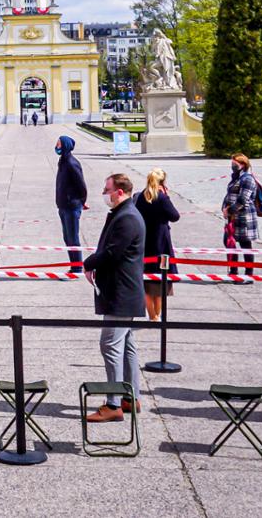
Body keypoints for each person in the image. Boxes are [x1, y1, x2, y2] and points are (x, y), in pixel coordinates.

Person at [85, 173, 146, 423]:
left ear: (119, 192)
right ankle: (130, 396)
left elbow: (112, 252)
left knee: (110, 345)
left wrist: (88, 262)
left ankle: (113, 403)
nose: (104, 193)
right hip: (123, 291)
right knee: (127, 344)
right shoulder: (124, 213)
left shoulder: (128, 217)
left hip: (122, 292)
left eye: (107, 189)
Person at [135, 169, 181, 320]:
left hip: (145, 240)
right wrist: (166, 197)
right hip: (161, 241)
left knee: (146, 281)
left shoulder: (141, 196)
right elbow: (175, 216)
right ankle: (157, 315)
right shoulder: (161, 197)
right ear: (162, 182)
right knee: (161, 280)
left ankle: (152, 315)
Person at [220, 154, 258, 285]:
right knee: (229, 242)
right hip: (232, 216)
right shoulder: (236, 177)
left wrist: (229, 210)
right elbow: (229, 194)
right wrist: (224, 208)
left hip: (244, 217)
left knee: (245, 245)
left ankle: (248, 275)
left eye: (235, 163)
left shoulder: (248, 179)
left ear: (243, 164)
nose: (232, 165)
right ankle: (233, 272)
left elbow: (243, 199)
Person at [54, 136, 88, 268]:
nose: (57, 147)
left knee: (73, 238)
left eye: (59, 144)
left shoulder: (71, 163)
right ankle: (73, 265)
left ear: (65, 145)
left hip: (71, 206)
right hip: (63, 206)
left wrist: (82, 201)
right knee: (67, 238)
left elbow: (81, 186)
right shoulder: (62, 161)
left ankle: (77, 267)